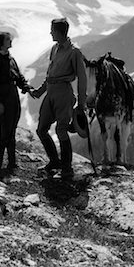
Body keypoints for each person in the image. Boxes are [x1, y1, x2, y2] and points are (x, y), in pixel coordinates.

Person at [33, 18, 87, 181]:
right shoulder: (54, 48)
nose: (50, 32)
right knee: (41, 129)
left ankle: (67, 169)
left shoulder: (74, 52)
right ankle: (55, 162)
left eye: (52, 30)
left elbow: (82, 79)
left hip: (64, 93)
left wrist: (81, 104)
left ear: (59, 32)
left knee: (61, 130)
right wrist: (40, 91)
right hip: (51, 93)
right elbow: (50, 74)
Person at [0, 32, 34, 175]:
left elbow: (18, 76)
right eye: (8, 39)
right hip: (4, 98)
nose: (11, 40)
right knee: (5, 131)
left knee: (12, 129)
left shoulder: (9, 58)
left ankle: (12, 163)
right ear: (1, 42)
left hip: (13, 96)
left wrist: (25, 86)